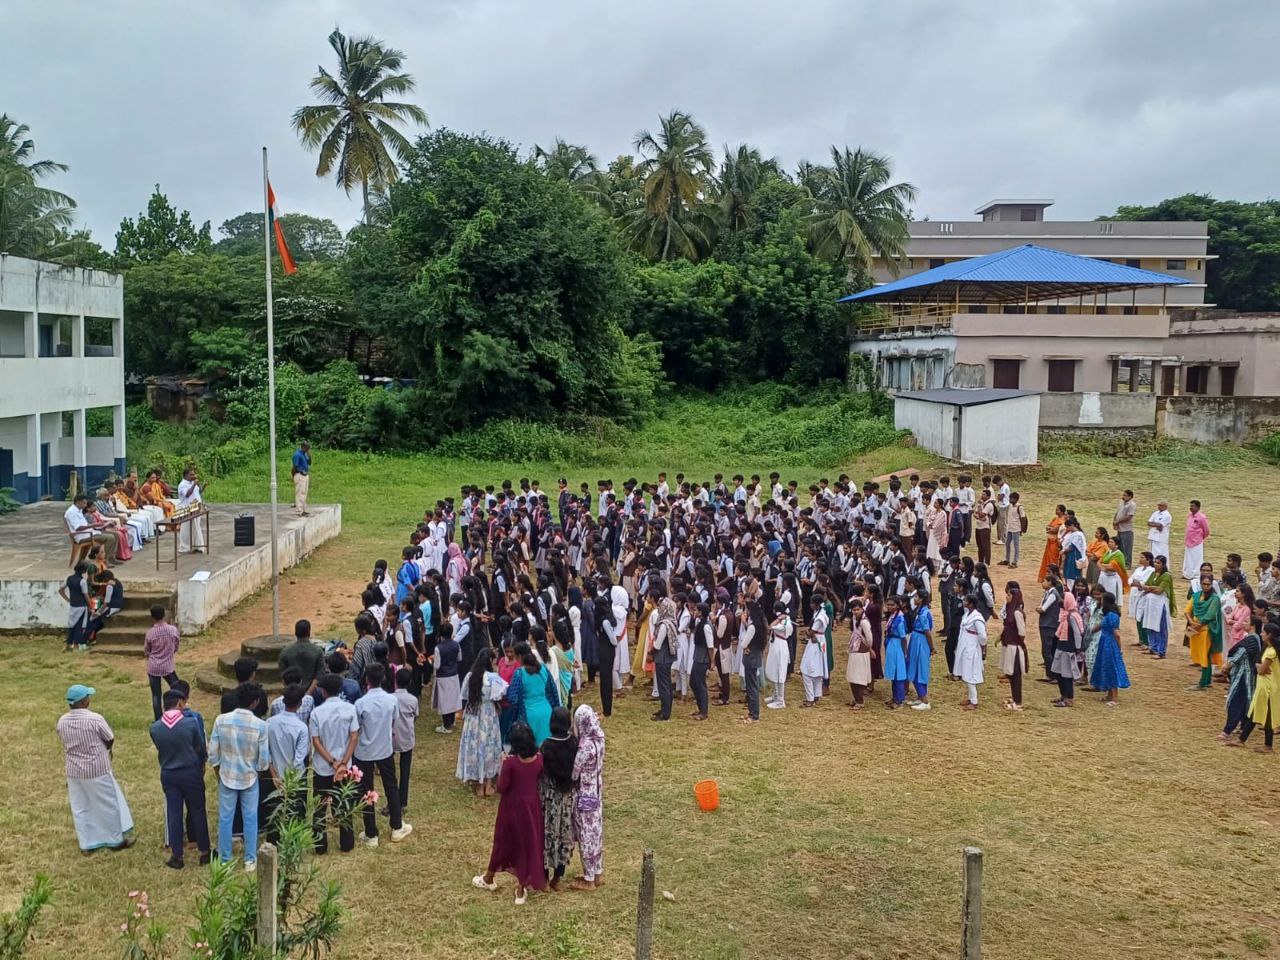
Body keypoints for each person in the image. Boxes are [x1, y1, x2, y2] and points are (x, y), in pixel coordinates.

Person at [56, 684, 135, 853]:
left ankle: (86, 843)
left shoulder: (62, 721)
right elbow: (109, 738)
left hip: (74, 771)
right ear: (84, 701)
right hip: (97, 769)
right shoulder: (95, 719)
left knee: (80, 806)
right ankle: (115, 841)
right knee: (108, 803)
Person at [472, 722, 546, 905]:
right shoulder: (539, 760)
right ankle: (521, 890)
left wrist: (502, 765)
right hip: (531, 807)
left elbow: (501, 787)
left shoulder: (511, 763)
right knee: (527, 844)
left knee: (502, 842)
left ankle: (489, 878)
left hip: (511, 808)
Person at [208, 682, 269, 870]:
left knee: (225, 818)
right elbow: (264, 760)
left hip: (227, 775)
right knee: (251, 818)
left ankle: (225, 859)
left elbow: (212, 753)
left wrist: (218, 770)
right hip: (250, 777)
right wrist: (257, 771)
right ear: (256, 702)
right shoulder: (261, 725)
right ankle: (250, 860)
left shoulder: (221, 720)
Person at [149, 688, 210, 869]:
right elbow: (200, 747)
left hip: (168, 773)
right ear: (180, 703)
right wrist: (201, 763)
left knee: (174, 813)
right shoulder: (190, 723)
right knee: (198, 810)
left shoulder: (155, 727)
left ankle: (177, 855)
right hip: (190, 771)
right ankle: (205, 851)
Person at [353, 663, 412, 846]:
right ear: (384, 679)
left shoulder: (360, 703)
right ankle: (396, 826)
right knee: (391, 787)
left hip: (364, 751)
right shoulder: (391, 700)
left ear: (366, 680)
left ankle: (371, 834)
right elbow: (393, 721)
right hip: (385, 749)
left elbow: (357, 728)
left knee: (367, 790)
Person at [309, 673, 359, 855]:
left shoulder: (316, 712)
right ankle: (346, 843)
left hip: (323, 767)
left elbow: (315, 741)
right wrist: (343, 762)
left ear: (323, 691)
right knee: (344, 803)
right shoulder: (350, 709)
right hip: (345, 767)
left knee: (320, 806)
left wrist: (332, 762)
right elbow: (354, 736)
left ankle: (320, 845)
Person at [457, 648, 508, 796]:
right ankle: (488, 784)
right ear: (490, 661)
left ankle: (478, 783)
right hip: (488, 715)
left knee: (474, 745)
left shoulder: (470, 676)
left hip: (473, 714)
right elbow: (502, 693)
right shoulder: (493, 678)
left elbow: (464, 694)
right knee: (489, 746)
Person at [263, 683, 310, 844]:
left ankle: (272, 845)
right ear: (300, 703)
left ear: (283, 701)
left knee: (274, 813)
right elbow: (299, 760)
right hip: (294, 780)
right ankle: (294, 844)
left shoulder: (269, 723)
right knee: (295, 813)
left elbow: (266, 752)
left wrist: (275, 776)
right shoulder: (301, 728)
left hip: (274, 777)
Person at [539, 707, 579, 890]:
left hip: (549, 799)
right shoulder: (574, 743)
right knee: (564, 836)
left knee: (547, 836)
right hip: (566, 797)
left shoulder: (546, 745)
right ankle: (558, 878)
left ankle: (545, 879)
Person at [570, 704, 605, 891]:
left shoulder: (584, 746)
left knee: (585, 836)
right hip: (597, 792)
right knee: (596, 833)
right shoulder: (600, 738)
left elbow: (575, 773)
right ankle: (597, 872)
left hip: (584, 794)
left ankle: (588, 879)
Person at [1236, 623, 1280, 752]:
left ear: (1269, 635)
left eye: (1263, 632)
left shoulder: (1271, 652)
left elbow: (1261, 670)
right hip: (1265, 686)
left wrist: (1258, 666)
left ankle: (1266, 745)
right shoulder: (1269, 649)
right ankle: (1242, 740)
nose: (1261, 634)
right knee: (1257, 713)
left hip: (1267, 687)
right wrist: (1258, 666)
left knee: (1263, 715)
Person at [1220, 620, 1262, 743]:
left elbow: (1241, 654)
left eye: (1246, 621)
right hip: (1245, 675)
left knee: (1235, 701)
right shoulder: (1254, 638)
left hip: (1243, 676)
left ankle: (1227, 730)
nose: (1243, 623)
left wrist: (1227, 665)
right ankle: (1243, 726)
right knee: (1244, 702)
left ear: (1253, 625)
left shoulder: (1252, 640)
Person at [510, 650, 560, 745]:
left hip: (529, 714)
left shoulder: (519, 673)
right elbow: (553, 690)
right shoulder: (544, 669)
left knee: (532, 746)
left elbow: (513, 697)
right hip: (546, 712)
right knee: (547, 745)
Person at [1186, 572, 1223, 691]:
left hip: (1206, 630)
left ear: (1211, 584)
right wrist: (1191, 622)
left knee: (1205, 655)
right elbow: (1187, 610)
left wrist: (1196, 625)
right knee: (1204, 656)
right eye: (1204, 584)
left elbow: (1210, 615)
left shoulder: (1215, 599)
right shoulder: (1196, 595)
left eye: (1208, 584)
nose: (1206, 586)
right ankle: (1207, 681)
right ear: (1200, 584)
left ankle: (1203, 683)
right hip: (1196, 629)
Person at [143, 605, 181, 722]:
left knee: (156, 695)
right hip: (168, 666)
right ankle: (178, 712)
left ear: (152, 617)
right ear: (164, 615)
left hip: (154, 667)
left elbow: (147, 651)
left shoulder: (150, 633)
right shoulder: (173, 630)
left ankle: (158, 720)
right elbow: (176, 645)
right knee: (177, 689)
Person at [1090, 594, 1130, 706]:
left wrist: (1119, 647)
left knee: (1111, 668)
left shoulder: (1112, 615)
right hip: (1105, 643)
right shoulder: (1108, 614)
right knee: (1106, 667)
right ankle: (1109, 694)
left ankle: (1114, 698)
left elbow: (1116, 634)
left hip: (1109, 644)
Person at [1051, 585, 1085, 707]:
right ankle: (1063, 695)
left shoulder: (1072, 616)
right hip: (1062, 645)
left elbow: (1077, 634)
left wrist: (1077, 649)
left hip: (1068, 648)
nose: (1060, 601)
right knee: (1058, 671)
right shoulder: (1065, 614)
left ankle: (1069, 698)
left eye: (1062, 599)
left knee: (1066, 674)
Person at [955, 594, 987, 711]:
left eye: (966, 601)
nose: (963, 602)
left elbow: (982, 636)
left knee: (971, 673)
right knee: (966, 670)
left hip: (972, 646)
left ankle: (974, 701)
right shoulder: (967, 614)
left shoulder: (977, 618)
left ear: (971, 604)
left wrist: (982, 646)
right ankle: (970, 697)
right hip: (965, 643)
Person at [999, 583, 1028, 711]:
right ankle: (1014, 697)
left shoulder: (1017, 613)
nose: (1007, 597)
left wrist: (1015, 641)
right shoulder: (1011, 610)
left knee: (1015, 674)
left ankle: (1018, 702)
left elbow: (1022, 633)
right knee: (1010, 674)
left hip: (1014, 647)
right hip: (1008, 644)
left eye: (1009, 595)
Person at [1140, 555, 1176, 658]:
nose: (1156, 564)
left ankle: (1161, 651)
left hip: (1160, 605)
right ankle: (1153, 647)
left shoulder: (1166, 576)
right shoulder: (1153, 573)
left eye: (1158, 563)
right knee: (1151, 625)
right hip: (1151, 604)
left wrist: (1149, 588)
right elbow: (1144, 586)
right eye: (1155, 562)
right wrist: (1151, 588)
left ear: (1163, 565)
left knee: (1161, 627)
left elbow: (1160, 590)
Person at [65, 493, 118, 562]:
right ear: (78, 502)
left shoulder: (79, 510)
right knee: (110, 538)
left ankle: (111, 558)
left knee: (116, 535)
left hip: (89, 532)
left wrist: (98, 525)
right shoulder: (71, 512)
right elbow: (78, 528)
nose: (85, 505)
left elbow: (85, 524)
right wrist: (94, 525)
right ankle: (104, 560)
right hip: (82, 536)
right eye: (84, 503)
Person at [800, 591, 830, 707]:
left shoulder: (819, 617)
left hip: (816, 641)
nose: (810, 605)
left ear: (816, 604)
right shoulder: (820, 613)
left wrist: (809, 633)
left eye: (812, 603)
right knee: (819, 668)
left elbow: (810, 632)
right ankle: (817, 695)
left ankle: (810, 698)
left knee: (807, 669)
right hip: (820, 640)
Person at [278, 619, 326, 692]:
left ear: (295, 633)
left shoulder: (285, 652)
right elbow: (320, 675)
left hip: (292, 693)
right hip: (313, 692)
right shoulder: (318, 651)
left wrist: (291, 692)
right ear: (309, 632)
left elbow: (283, 676)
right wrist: (308, 693)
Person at [906, 591, 933, 710]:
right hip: (916, 638)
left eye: (916, 597)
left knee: (919, 669)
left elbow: (927, 632)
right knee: (915, 667)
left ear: (921, 599)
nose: (914, 599)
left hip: (920, 641)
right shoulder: (920, 610)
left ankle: (925, 701)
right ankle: (920, 697)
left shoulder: (923, 613)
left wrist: (932, 647)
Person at [432, 624, 462, 734]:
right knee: (452, 699)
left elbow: (437, 665)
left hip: (443, 677)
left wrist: (432, 662)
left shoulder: (438, 648)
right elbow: (459, 658)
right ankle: (452, 721)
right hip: (453, 674)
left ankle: (446, 725)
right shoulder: (456, 645)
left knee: (444, 702)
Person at [59, 561, 93, 652]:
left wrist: (68, 599)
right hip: (82, 606)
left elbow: (61, 590)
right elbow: (86, 595)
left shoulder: (68, 579)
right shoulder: (82, 581)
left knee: (72, 626)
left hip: (73, 605)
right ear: (84, 571)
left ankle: (68, 645)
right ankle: (76, 646)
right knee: (80, 626)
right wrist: (91, 607)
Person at [883, 596, 909, 709]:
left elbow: (903, 637)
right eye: (888, 604)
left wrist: (905, 652)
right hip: (891, 644)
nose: (889, 607)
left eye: (892, 605)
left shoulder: (900, 619)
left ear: (898, 605)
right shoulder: (892, 616)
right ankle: (894, 697)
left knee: (898, 672)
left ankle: (899, 700)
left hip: (897, 645)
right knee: (893, 671)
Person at [176, 467, 206, 554]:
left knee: (196, 528)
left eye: (194, 474)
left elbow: (198, 492)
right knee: (186, 529)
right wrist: (194, 485)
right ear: (186, 475)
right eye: (191, 474)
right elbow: (187, 494)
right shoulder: (182, 485)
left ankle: (197, 546)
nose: (193, 476)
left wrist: (202, 485)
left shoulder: (193, 482)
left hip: (196, 507)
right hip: (186, 508)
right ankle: (184, 547)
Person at [1182, 500, 1210, 581]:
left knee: (1196, 559)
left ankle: (1196, 575)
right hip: (1188, 541)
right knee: (1188, 558)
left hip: (1197, 541)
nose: (1191, 508)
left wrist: (1200, 538)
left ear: (1198, 507)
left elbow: (1206, 530)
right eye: (1190, 506)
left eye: (1193, 506)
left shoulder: (1202, 517)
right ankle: (1187, 574)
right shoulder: (1189, 516)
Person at [1038, 504, 1066, 582]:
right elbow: (1048, 527)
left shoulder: (1063, 520)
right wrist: (1051, 529)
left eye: (1057, 510)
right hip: (1050, 541)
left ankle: (1053, 576)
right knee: (1047, 558)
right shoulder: (1055, 519)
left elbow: (1055, 530)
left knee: (1053, 558)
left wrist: (1051, 529)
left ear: (1062, 511)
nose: (1056, 511)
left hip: (1056, 542)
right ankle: (1046, 575)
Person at [1003, 492, 1025, 569]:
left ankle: (1015, 561)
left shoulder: (1020, 507)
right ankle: (1007, 559)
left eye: (1011, 498)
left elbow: (1023, 518)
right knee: (1007, 544)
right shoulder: (1010, 506)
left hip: (1016, 528)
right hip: (1010, 528)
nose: (1010, 500)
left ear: (1015, 499)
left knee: (1016, 545)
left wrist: (1022, 529)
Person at [1114, 490, 1137, 566]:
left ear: (1130, 496)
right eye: (1123, 495)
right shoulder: (1121, 503)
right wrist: (1114, 521)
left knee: (1126, 548)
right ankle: (1120, 562)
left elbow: (1129, 517)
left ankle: (1127, 563)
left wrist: (1118, 522)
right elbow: (1117, 513)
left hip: (1126, 529)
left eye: (1125, 495)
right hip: (1120, 529)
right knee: (1119, 547)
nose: (1123, 497)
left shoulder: (1132, 505)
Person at [291, 441, 312, 516]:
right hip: (299, 475)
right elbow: (294, 467)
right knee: (300, 493)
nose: (308, 450)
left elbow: (309, 463)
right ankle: (299, 511)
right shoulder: (297, 455)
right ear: (303, 447)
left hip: (305, 475)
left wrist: (309, 455)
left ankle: (303, 509)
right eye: (307, 448)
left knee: (304, 493)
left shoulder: (304, 454)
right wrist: (294, 476)